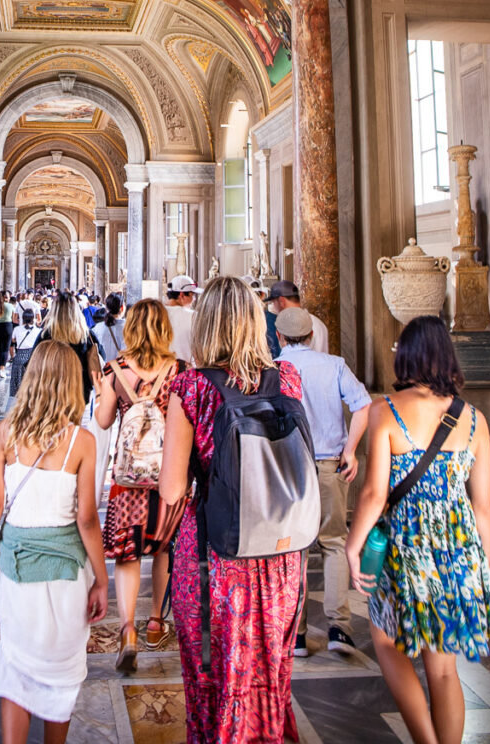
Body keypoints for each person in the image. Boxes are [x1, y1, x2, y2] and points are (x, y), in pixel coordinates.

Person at [159, 276, 304, 743]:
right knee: (271, 672)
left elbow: (170, 488)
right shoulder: (289, 378)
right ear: (252, 322)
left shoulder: (191, 387)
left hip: (214, 552)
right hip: (280, 550)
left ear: (206, 326)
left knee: (212, 677)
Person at [346, 315, 490, 744]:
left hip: (406, 549)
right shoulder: (474, 420)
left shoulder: (387, 410)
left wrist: (353, 547)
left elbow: (375, 492)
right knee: (445, 670)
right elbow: (483, 506)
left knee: (388, 643)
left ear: (407, 356)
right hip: (461, 551)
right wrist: (479, 568)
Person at [0, 340, 108, 744]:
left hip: (16, 571)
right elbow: (86, 519)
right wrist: (101, 578)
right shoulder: (81, 442)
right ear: (71, 384)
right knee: (59, 678)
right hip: (66, 576)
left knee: (16, 669)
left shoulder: (7, 432)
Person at [275, 306, 371, 656]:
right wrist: (351, 449)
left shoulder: (274, 369)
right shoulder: (334, 365)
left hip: (290, 471)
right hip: (331, 464)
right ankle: (339, 629)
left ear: (280, 336)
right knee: (334, 544)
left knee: (293, 550)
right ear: (312, 336)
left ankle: (296, 634)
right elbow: (363, 405)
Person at [96, 299, 187, 672]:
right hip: (168, 475)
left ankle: (128, 629)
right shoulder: (179, 370)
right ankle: (155, 622)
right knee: (164, 549)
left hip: (129, 481)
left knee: (127, 554)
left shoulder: (115, 369)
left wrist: (107, 389)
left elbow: (102, 422)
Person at [35, 291, 103, 404]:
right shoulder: (86, 335)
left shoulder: (45, 335)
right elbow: (100, 356)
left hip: (52, 387)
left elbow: (33, 360)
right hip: (79, 388)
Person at [267, 279, 328, 352]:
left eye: (274, 303)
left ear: (281, 301)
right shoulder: (317, 323)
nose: (274, 307)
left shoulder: (312, 325)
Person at [165, 274, 202, 363]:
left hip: (161, 371)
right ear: (181, 295)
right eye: (192, 295)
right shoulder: (193, 316)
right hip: (186, 373)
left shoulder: (156, 313)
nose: (194, 299)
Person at [9, 308, 42, 398]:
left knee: (19, 384)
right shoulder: (38, 331)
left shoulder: (17, 329)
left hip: (19, 357)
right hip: (33, 358)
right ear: (33, 319)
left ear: (22, 318)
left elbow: (13, 340)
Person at [91, 292, 125, 364]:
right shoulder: (129, 328)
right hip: (122, 372)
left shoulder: (97, 328)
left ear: (106, 308)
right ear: (122, 308)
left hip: (104, 371)